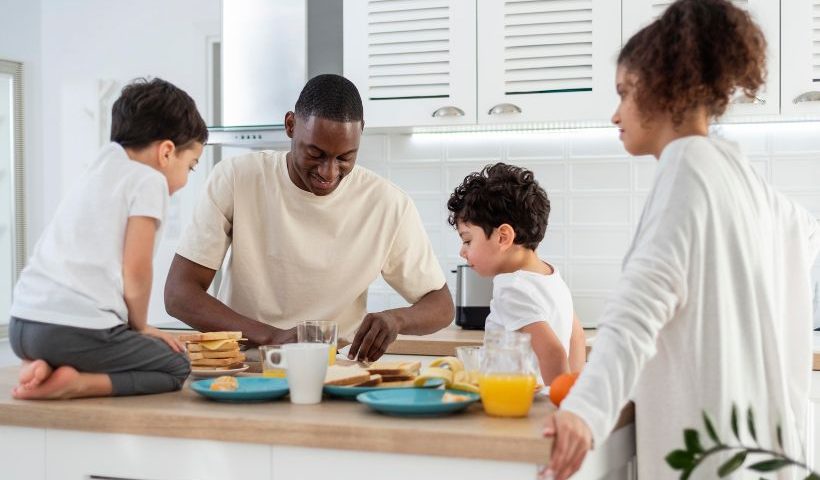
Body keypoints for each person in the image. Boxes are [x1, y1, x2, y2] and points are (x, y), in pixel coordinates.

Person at [542, 1, 820, 478]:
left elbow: (637, 309)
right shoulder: (741, 178)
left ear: (663, 89)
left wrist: (585, 408)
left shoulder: (687, 168)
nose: (615, 114)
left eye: (624, 92)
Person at [164, 74, 453, 361]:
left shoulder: (389, 205)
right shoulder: (237, 178)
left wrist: (396, 320)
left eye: (344, 158)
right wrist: (273, 336)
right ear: (290, 125)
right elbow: (179, 294)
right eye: (315, 154)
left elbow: (441, 306)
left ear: (361, 132)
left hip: (336, 370)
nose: (329, 172)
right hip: (246, 365)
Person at [9, 77, 207, 399]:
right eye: (191, 165)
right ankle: (76, 383)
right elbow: (137, 271)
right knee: (178, 365)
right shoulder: (148, 180)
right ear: (167, 153)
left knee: (108, 345)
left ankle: (46, 365)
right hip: (72, 332)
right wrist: (140, 327)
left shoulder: (99, 168)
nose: (186, 180)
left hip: (23, 326)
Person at [447, 163, 586, 385]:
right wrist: (572, 392)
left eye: (467, 240)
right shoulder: (551, 277)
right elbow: (576, 338)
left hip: (517, 404)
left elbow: (553, 352)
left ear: (503, 237)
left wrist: (559, 404)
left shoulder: (511, 287)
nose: (463, 251)